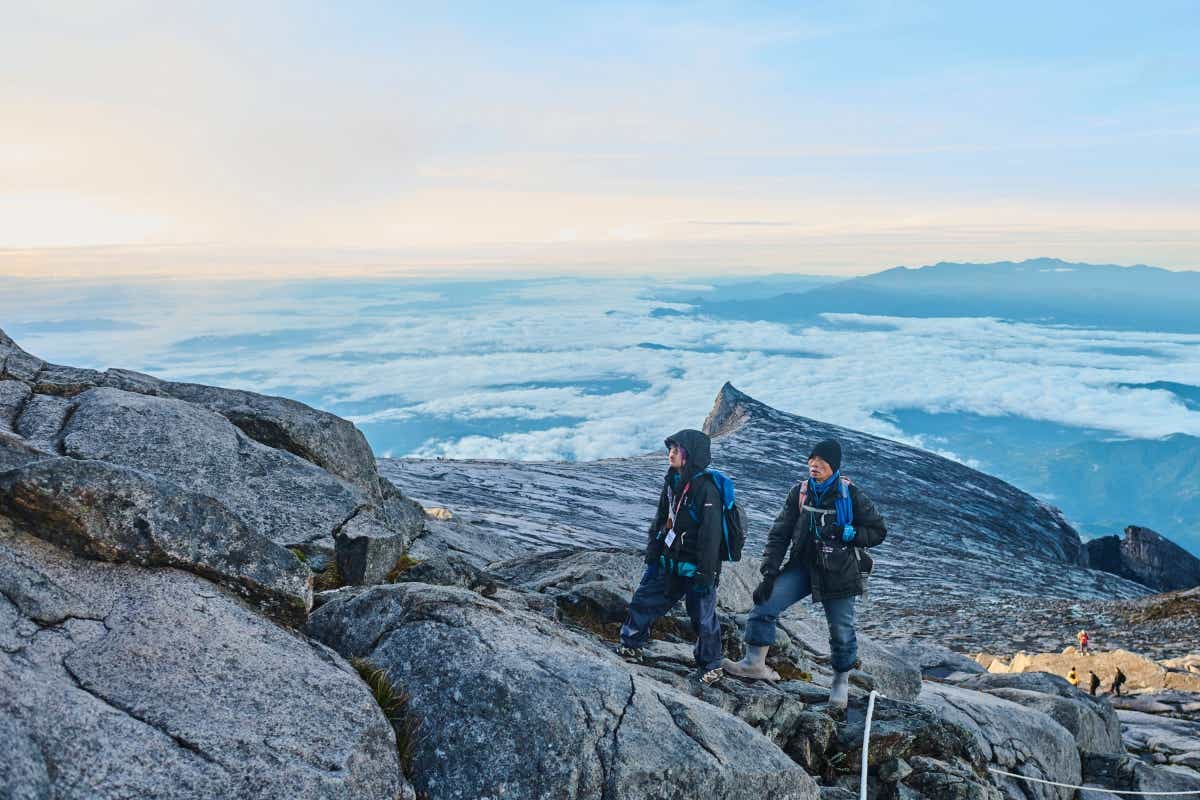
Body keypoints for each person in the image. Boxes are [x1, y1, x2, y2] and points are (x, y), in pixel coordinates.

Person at [724, 438, 886, 711]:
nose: (814, 465)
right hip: (802, 568)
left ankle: (840, 683)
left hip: (839, 573)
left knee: (841, 630)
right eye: (811, 460)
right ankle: (753, 664)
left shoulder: (852, 496)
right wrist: (769, 573)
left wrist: (854, 534)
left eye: (821, 461)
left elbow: (878, 531)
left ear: (833, 466)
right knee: (765, 605)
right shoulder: (799, 493)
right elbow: (780, 534)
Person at [618, 429, 725, 685]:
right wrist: (653, 551)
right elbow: (661, 518)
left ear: (691, 455)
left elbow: (711, 536)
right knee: (645, 599)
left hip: (695, 566)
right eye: (671, 448)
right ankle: (630, 644)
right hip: (669, 560)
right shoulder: (672, 481)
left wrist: (706, 572)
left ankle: (711, 665)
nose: (671, 453)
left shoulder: (707, 490)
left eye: (678, 449)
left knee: (701, 616)